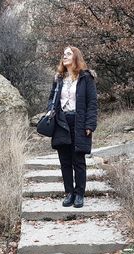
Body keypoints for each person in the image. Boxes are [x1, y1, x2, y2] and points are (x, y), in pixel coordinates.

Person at [46, 46, 98, 208]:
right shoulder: (59, 78)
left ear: (76, 57)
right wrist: (50, 112)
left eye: (68, 54)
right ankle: (69, 193)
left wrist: (90, 124)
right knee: (65, 160)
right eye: (64, 54)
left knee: (78, 159)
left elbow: (92, 103)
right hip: (61, 122)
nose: (65, 56)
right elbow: (51, 99)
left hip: (79, 122)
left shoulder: (86, 78)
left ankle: (79, 194)